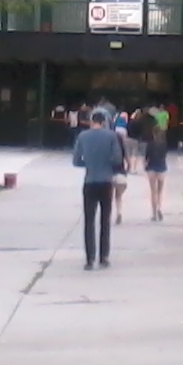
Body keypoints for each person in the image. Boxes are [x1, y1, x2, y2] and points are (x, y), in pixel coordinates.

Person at [72, 108, 124, 270]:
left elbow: (75, 160)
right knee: (104, 220)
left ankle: (89, 258)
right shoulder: (111, 136)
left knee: (89, 221)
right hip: (106, 180)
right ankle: (104, 256)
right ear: (103, 122)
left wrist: (87, 164)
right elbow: (117, 158)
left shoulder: (82, 136)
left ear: (91, 121)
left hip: (90, 180)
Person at [144, 122, 169, 219]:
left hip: (151, 168)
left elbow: (146, 158)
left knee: (153, 191)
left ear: (153, 133)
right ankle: (159, 208)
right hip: (162, 167)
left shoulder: (150, 144)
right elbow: (165, 155)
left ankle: (154, 214)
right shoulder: (164, 144)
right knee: (160, 191)